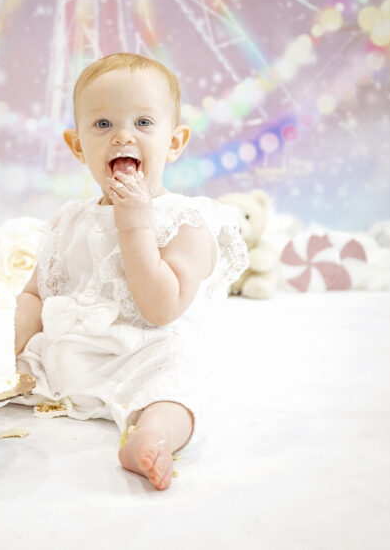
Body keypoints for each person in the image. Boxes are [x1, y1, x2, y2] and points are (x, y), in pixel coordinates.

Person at [14, 52, 248, 490]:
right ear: (78, 145)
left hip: (145, 354)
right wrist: (1, 344)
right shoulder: (70, 220)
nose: (123, 135)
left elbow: (162, 309)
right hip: (69, 354)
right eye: (103, 125)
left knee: (180, 375)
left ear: (174, 143)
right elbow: (35, 294)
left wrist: (135, 224)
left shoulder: (184, 220)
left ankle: (152, 436)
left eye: (143, 123)